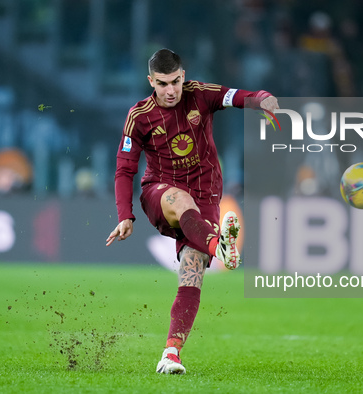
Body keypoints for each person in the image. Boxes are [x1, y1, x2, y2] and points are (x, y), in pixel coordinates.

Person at [105, 48, 279, 374]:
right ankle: (220, 246)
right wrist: (124, 214)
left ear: (183, 76)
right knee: (180, 201)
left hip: (206, 195)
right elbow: (124, 169)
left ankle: (171, 353)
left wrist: (263, 98)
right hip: (160, 192)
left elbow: (238, 96)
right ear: (151, 81)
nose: (170, 91)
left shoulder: (200, 95)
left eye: (175, 82)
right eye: (162, 84)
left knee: (192, 269)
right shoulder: (139, 115)